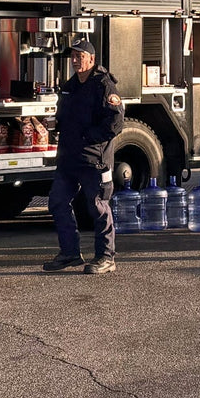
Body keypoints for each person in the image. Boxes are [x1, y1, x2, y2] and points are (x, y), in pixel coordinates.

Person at [43, 40, 124, 275]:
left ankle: (106, 257)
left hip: (93, 158)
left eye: (80, 56)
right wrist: (52, 125)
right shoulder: (70, 86)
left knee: (97, 206)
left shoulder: (104, 85)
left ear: (91, 59)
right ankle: (69, 253)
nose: (76, 60)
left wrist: (89, 137)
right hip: (68, 158)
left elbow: (115, 122)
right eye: (73, 56)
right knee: (57, 202)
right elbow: (65, 116)